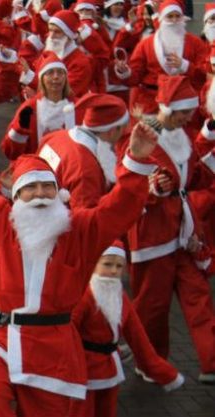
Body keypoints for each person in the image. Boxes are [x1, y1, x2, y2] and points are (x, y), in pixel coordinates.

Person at [0, 103, 159, 416]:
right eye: (31, 188)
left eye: (47, 187)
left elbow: (120, 208)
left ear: (58, 194)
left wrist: (136, 161)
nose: (40, 194)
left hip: (53, 348)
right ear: (17, 197)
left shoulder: (78, 228)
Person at [124, 75, 215, 384]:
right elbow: (125, 179)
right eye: (186, 112)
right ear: (171, 110)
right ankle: (150, 361)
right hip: (153, 235)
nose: (191, 117)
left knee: (198, 296)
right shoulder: (140, 135)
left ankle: (212, 361)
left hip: (184, 234)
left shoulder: (183, 135)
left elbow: (195, 176)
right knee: (152, 306)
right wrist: (153, 189)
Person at [72, 241, 184, 417]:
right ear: (94, 264)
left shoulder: (120, 296)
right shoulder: (84, 296)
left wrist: (161, 370)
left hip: (110, 368)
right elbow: (68, 332)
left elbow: (137, 337)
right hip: (83, 369)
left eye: (119, 266)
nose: (114, 271)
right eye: (107, 264)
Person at [37, 93, 129, 208]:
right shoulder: (86, 170)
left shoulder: (55, 136)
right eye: (123, 129)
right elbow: (85, 216)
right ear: (113, 131)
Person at [117, 0, 209, 115]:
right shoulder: (146, 44)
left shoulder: (195, 42)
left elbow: (205, 74)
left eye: (177, 16)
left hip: (184, 103)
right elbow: (135, 77)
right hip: (152, 102)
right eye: (169, 16)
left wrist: (185, 66)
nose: (174, 20)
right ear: (161, 19)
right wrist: (125, 72)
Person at [2, 52, 76, 160]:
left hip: (68, 165)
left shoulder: (77, 106)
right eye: (50, 73)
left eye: (60, 72)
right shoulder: (30, 108)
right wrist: (20, 130)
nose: (56, 77)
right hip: (37, 166)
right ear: (42, 79)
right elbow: (10, 152)